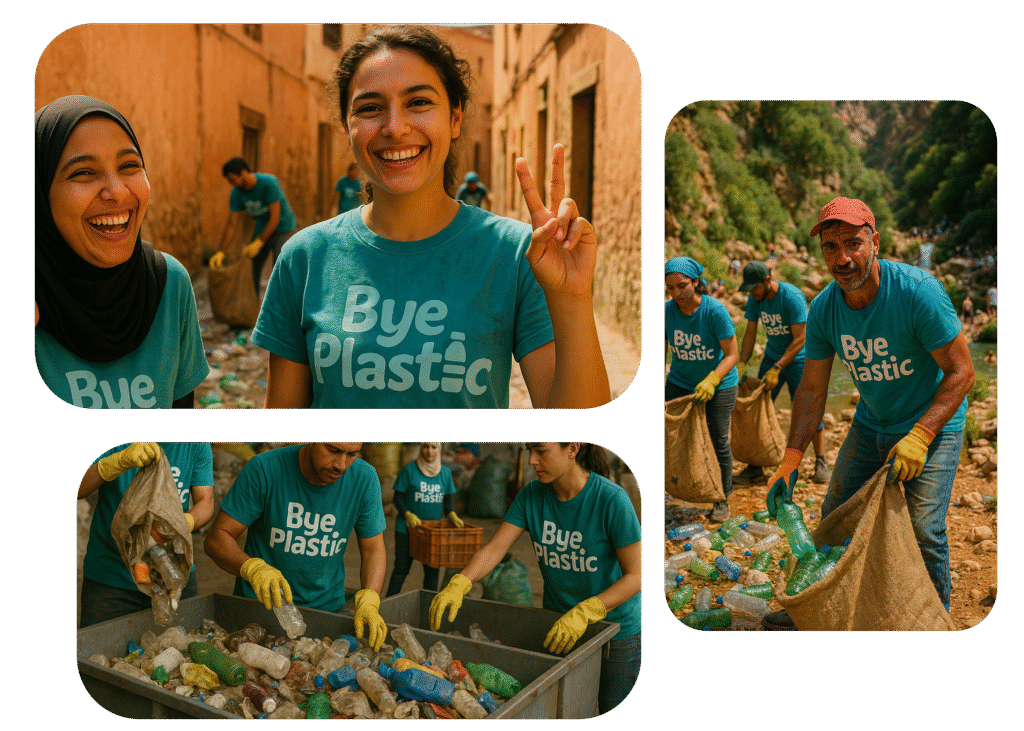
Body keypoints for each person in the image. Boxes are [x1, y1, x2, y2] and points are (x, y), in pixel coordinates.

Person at [250, 25, 610, 409]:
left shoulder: (518, 254)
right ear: (346, 126)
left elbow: (578, 431)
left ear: (455, 119)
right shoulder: (303, 258)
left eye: (419, 102)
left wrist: (572, 298)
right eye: (370, 108)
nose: (394, 127)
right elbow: (285, 436)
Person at [761, 197, 974, 630]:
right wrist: (792, 457)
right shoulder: (823, 309)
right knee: (837, 514)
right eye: (830, 247)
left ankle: (933, 622)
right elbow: (812, 391)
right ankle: (822, 604)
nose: (843, 258)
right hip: (871, 421)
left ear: (875, 241)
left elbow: (962, 372)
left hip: (932, 421)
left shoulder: (917, 293)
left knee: (923, 529)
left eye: (853, 244)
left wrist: (920, 436)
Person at [429, 443, 640, 714]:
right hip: (558, 625)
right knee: (567, 709)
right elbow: (494, 549)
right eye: (530, 450)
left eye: (541, 451)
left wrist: (587, 611)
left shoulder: (611, 499)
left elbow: (637, 575)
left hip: (617, 629)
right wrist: (461, 581)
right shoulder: (532, 495)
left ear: (572, 449)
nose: (531, 461)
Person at [35, 95, 209, 408]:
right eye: (84, 173)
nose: (117, 192)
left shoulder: (170, 285)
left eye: (129, 166)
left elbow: (180, 437)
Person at [204, 442, 388, 650]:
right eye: (333, 450)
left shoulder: (364, 478)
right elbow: (217, 538)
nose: (341, 465)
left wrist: (371, 598)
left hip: (328, 610)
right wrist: (252, 568)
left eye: (352, 454)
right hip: (260, 609)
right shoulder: (265, 469)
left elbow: (373, 548)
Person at [78, 442, 214, 627]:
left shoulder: (195, 443)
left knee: (176, 649)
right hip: (111, 580)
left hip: (172, 575)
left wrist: (182, 523)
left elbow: (206, 501)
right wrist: (113, 464)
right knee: (99, 652)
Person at [733, 261, 831, 485]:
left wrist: (778, 367)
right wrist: (741, 363)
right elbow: (750, 334)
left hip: (799, 360)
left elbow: (801, 338)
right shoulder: (755, 299)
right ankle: (755, 466)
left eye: (754, 288)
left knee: (808, 407)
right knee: (758, 405)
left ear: (767, 280)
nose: (751, 293)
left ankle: (821, 462)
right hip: (772, 355)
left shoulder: (791, 297)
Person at [664, 256, 739, 521]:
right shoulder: (666, 312)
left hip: (719, 384)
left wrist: (711, 380)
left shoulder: (714, 311)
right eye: (670, 288)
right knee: (667, 433)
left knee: (718, 439)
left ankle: (721, 498)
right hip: (680, 382)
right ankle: (674, 484)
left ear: (696, 282)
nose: (677, 293)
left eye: (682, 286)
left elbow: (732, 355)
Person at [208, 157, 298, 297]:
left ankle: (281, 309)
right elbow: (232, 224)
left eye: (232, 180)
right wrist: (221, 251)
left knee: (281, 268)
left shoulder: (269, 183)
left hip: (283, 228)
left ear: (243, 173)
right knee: (251, 268)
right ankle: (253, 304)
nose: (231, 184)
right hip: (262, 229)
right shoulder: (237, 193)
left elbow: (275, 218)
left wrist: (258, 242)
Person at [385, 442, 462, 596]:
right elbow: (398, 498)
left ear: (439, 450)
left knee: (432, 571)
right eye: (426, 446)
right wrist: (407, 514)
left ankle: (429, 609)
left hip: (431, 532)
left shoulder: (445, 473)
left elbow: (448, 501)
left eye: (434, 447)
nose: (429, 451)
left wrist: (451, 513)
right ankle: (387, 605)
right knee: (401, 568)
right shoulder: (409, 470)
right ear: (421, 448)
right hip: (407, 529)